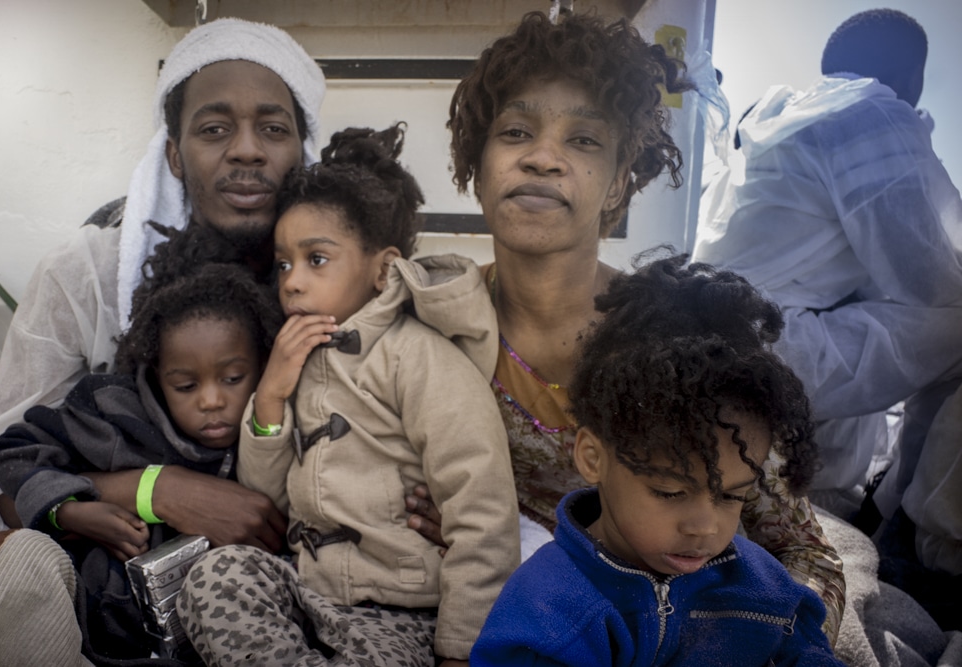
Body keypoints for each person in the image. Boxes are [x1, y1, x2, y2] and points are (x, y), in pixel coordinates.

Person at [405, 9, 846, 645]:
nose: (543, 158)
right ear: (477, 163)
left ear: (618, 183)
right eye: (516, 132)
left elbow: (808, 556)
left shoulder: (683, 341)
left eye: (584, 140)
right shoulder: (431, 325)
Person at [0, 17, 325, 549]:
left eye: (273, 128)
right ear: (174, 155)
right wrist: (154, 489)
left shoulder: (345, 281)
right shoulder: (85, 275)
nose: (247, 149)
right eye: (214, 129)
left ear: (303, 150)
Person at [176, 125, 520, 666]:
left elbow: (482, 509)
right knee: (214, 577)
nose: (292, 281)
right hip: (308, 591)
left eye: (316, 259)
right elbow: (268, 500)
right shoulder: (294, 359)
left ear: (381, 269)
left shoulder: (420, 358)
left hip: (404, 611)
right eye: (284, 263)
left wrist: (461, 647)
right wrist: (271, 397)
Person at [471, 254, 842, 666]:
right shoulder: (550, 615)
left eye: (731, 497)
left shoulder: (761, 584)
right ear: (593, 458)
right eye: (670, 492)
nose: (705, 527)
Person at [693, 9, 962, 505]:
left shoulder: (786, 116)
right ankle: (911, 513)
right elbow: (936, 276)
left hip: (717, 336)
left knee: (862, 310)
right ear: (912, 76)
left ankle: (842, 492)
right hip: (769, 348)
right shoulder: (871, 113)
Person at [0, 225, 283, 660]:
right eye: (185, 385)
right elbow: (15, 452)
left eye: (233, 378)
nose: (212, 401)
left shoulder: (272, 427)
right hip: (92, 623)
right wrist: (69, 510)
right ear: (157, 374)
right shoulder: (114, 413)